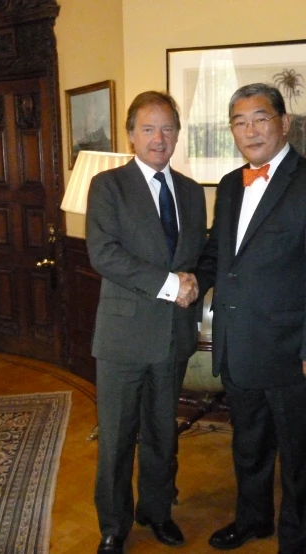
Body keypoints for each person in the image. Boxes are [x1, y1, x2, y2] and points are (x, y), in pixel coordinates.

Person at [195, 83, 306, 554]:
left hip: (293, 353)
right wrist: (186, 281)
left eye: (260, 118)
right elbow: (218, 254)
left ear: (284, 122)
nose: (251, 130)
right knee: (249, 446)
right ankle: (253, 520)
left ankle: (294, 541)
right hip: (239, 346)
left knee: (300, 458)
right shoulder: (228, 185)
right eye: (240, 122)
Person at [85, 91, 207, 554]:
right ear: (131, 134)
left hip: (173, 336)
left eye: (169, 128)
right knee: (116, 439)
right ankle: (113, 526)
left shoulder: (193, 194)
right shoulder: (108, 186)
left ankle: (157, 511)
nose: (160, 138)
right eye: (149, 128)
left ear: (178, 133)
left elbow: (197, 257)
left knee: (162, 434)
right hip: (122, 338)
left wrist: (194, 282)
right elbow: (104, 254)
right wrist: (170, 284)